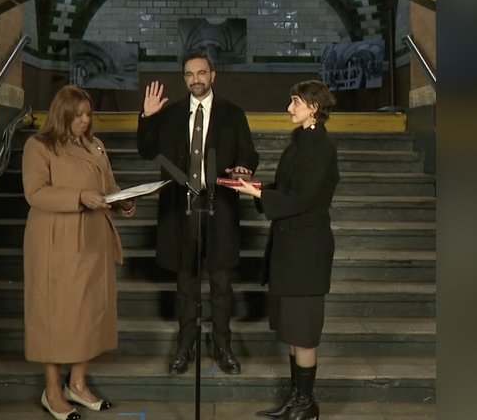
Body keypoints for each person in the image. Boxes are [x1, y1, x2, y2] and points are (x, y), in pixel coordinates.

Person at [137, 52, 259, 375]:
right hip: (181, 209)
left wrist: (244, 167)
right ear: (184, 78)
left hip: (220, 208)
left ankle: (223, 346)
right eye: (190, 74)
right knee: (186, 283)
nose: (196, 80)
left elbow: (249, 153)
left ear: (213, 75)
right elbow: (147, 151)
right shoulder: (170, 113)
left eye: (201, 73)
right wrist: (148, 117)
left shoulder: (233, 113)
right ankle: (185, 346)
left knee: (221, 283)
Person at [22, 85, 135, 420]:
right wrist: (80, 197)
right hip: (56, 240)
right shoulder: (39, 146)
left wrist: (123, 201)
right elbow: (35, 193)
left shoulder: (95, 145)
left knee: (89, 311)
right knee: (55, 314)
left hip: (93, 238)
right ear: (63, 114)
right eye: (79, 115)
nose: (85, 120)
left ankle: (78, 383)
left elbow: (108, 186)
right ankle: (52, 390)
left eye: (88, 114)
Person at [231, 80, 339, 420]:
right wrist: (254, 186)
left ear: (314, 107)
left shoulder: (321, 149)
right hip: (290, 249)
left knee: (304, 333)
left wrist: (260, 195)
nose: (289, 108)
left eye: (295, 102)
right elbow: (286, 187)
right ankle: (297, 399)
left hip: (307, 252)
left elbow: (303, 198)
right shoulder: (300, 143)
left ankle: (307, 404)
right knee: (293, 329)